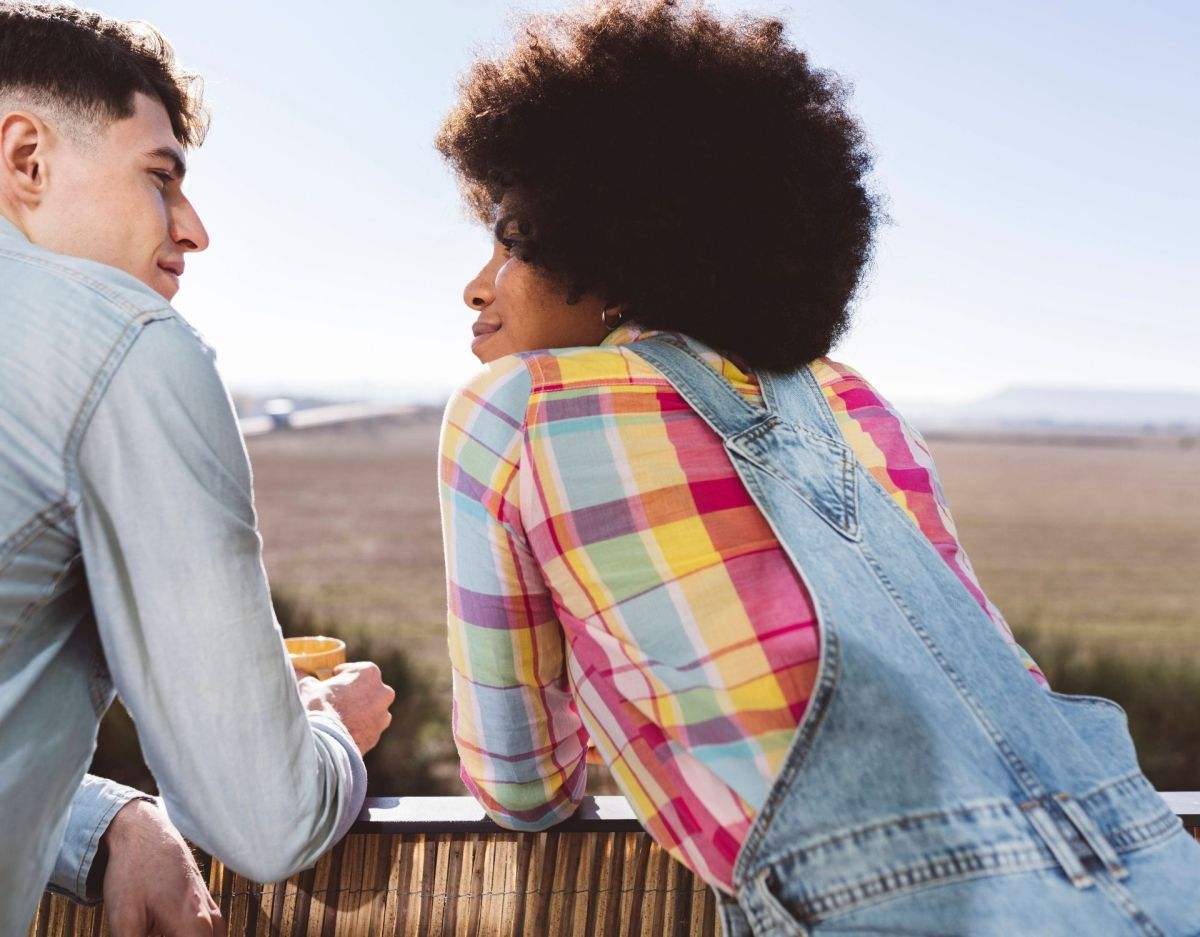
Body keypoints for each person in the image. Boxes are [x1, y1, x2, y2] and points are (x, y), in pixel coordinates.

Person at [434, 2, 1200, 934]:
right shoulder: (860, 401)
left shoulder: (519, 408)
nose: (479, 282)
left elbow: (525, 785)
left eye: (513, 237)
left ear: (614, 248)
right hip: (1153, 866)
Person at [0, 5, 394, 934]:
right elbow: (260, 816)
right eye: (161, 178)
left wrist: (100, 821)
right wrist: (328, 722)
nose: (195, 229)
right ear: (27, 160)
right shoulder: (125, 343)